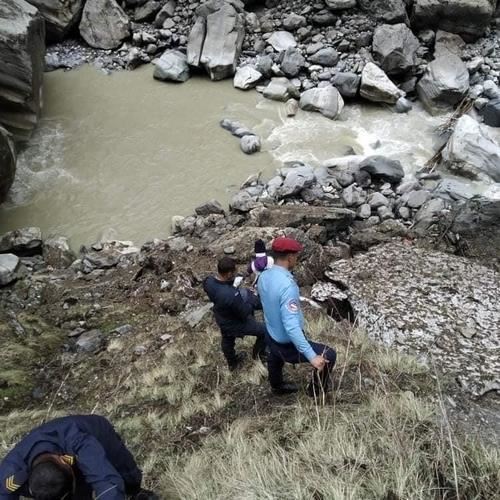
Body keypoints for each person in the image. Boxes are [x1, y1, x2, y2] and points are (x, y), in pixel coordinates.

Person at [0, 415, 157, 500]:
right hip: (61, 471)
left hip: (99, 434)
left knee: (127, 477)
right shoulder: (11, 472)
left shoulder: (80, 443)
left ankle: (135, 491)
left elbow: (107, 482)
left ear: (64, 462)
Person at [258, 237, 337, 396]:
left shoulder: (264, 275)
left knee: (274, 356)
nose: (297, 258)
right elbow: (292, 326)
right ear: (290, 257)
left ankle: (277, 386)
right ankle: (315, 391)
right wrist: (312, 356)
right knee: (329, 354)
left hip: (270, 330)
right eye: (296, 255)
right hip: (285, 342)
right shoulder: (288, 286)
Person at [203, 256, 267, 370]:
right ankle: (257, 355)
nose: (236, 273)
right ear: (228, 274)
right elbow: (244, 313)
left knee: (227, 339)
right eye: (234, 272)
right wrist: (250, 301)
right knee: (265, 331)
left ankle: (232, 364)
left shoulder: (209, 282)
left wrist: (232, 284)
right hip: (235, 322)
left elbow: (215, 289)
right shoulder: (231, 295)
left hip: (222, 318)